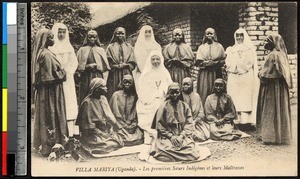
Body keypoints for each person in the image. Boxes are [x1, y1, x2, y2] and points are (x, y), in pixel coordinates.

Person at [32, 28, 68, 157]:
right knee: (51, 113)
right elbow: (49, 77)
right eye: (51, 37)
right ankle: (52, 143)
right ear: (45, 39)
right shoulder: (46, 54)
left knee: (47, 114)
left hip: (48, 90)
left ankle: (49, 143)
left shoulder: (44, 52)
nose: (53, 39)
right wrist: (63, 73)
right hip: (50, 91)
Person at [257, 34, 293, 145]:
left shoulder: (272, 55)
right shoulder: (282, 55)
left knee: (270, 109)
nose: (265, 43)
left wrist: (260, 74)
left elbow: (266, 73)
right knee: (279, 108)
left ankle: (270, 136)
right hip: (281, 88)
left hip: (271, 87)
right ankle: (282, 136)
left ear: (273, 43)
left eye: (267, 41)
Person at [151, 83, 200, 162]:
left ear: (180, 93)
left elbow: (189, 123)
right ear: (168, 93)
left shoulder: (185, 106)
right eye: (172, 92)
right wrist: (171, 136)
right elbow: (159, 125)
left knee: (191, 151)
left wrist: (181, 136)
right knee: (165, 150)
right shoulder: (163, 107)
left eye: (177, 92)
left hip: (182, 136)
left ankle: (174, 156)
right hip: (167, 137)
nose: (174, 95)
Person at [75, 78, 124, 155]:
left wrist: (109, 129)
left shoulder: (103, 98)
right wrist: (102, 134)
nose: (106, 88)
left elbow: (108, 117)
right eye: (103, 86)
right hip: (92, 134)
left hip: (104, 130)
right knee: (111, 144)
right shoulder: (87, 103)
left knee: (120, 141)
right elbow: (88, 127)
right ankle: (95, 146)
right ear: (97, 89)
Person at [225, 28, 260, 130]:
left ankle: (246, 121)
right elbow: (228, 63)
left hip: (246, 77)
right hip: (234, 76)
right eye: (237, 36)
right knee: (235, 97)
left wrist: (239, 66)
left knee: (245, 98)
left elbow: (249, 63)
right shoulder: (231, 49)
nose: (239, 37)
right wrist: (233, 67)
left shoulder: (249, 49)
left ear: (244, 37)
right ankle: (236, 120)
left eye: (241, 35)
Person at [49, 23, 79, 137]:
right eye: (59, 32)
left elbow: (74, 62)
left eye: (63, 32)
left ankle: (71, 131)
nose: (61, 34)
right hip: (55, 78)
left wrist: (69, 71)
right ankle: (58, 130)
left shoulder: (68, 46)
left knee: (69, 101)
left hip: (67, 79)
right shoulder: (51, 47)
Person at [137, 50, 172, 145]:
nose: (156, 61)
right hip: (149, 100)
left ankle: (162, 135)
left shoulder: (165, 72)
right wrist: (150, 98)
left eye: (158, 59)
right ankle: (148, 136)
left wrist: (164, 95)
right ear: (150, 60)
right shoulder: (146, 74)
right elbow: (142, 89)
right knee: (148, 113)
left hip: (162, 99)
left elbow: (170, 86)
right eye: (153, 59)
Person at [75, 30, 110, 106]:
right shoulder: (82, 50)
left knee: (97, 92)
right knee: (85, 93)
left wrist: (97, 65)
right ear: (87, 38)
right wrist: (87, 66)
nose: (92, 39)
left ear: (97, 38)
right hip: (85, 76)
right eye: (90, 37)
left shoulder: (101, 50)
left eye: (94, 37)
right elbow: (78, 66)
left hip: (97, 75)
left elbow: (105, 66)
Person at [109, 75, 144, 146]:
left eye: (129, 82)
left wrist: (133, 124)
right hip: (119, 124)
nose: (127, 84)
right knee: (120, 136)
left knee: (139, 137)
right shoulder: (116, 95)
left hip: (132, 125)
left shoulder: (135, 96)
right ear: (122, 83)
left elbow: (137, 113)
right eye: (125, 82)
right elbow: (113, 114)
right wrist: (122, 125)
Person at [195, 28, 226, 105]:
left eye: (211, 34)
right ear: (205, 35)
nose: (209, 36)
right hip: (204, 73)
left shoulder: (219, 46)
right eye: (207, 34)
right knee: (204, 90)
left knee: (216, 89)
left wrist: (215, 63)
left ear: (214, 35)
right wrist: (205, 63)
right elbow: (197, 62)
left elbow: (223, 60)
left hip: (215, 72)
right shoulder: (201, 47)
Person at [106, 27, 136, 99]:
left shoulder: (129, 47)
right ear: (115, 34)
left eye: (122, 33)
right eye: (118, 33)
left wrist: (126, 65)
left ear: (125, 35)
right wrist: (115, 66)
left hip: (126, 71)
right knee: (113, 90)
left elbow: (133, 61)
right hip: (114, 72)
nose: (120, 35)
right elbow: (106, 61)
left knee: (127, 90)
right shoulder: (110, 47)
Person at [133, 25, 162, 94]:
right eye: (146, 32)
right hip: (142, 70)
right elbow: (138, 59)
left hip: (154, 69)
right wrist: (145, 70)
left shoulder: (156, 45)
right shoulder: (138, 45)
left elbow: (159, 58)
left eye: (149, 32)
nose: (148, 34)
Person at [181, 77, 210, 142]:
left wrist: (195, 121)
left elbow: (201, 112)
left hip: (196, 122)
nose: (185, 86)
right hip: (184, 123)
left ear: (191, 85)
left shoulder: (196, 96)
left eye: (187, 84)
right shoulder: (180, 95)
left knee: (205, 134)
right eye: (184, 84)